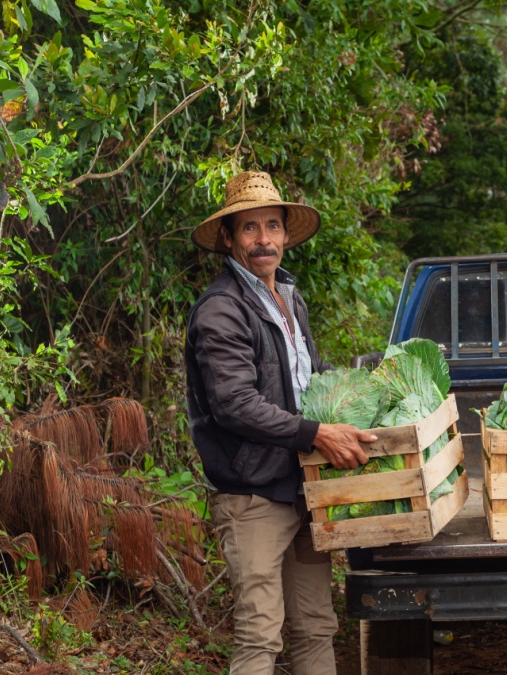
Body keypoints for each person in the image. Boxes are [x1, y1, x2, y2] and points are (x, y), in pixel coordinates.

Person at [185, 171, 373, 674]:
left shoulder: (288, 297)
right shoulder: (221, 310)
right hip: (252, 495)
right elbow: (234, 403)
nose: (263, 240)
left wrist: (365, 389)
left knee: (315, 626)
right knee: (259, 636)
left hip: (302, 487)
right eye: (249, 228)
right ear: (228, 238)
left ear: (287, 235)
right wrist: (317, 434)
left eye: (272, 226)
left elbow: (306, 377)